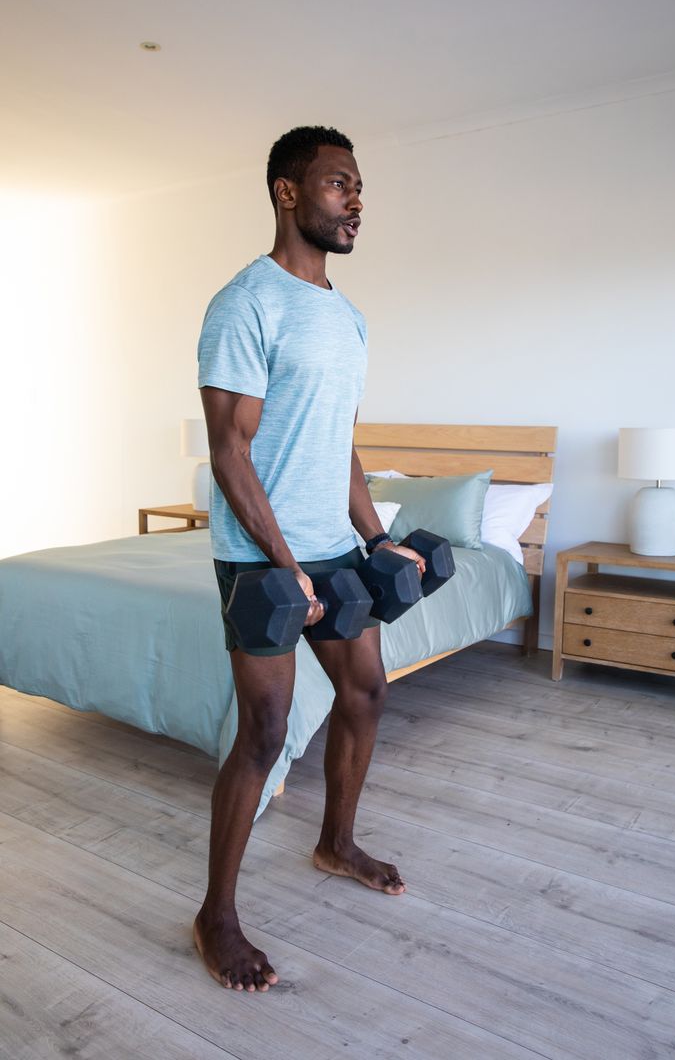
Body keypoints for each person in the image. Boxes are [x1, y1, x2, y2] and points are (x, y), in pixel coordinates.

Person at [194, 126, 425, 993]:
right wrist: (284, 561)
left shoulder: (348, 317)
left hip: (332, 547)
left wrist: (374, 535)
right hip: (261, 558)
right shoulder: (244, 304)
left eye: (358, 185)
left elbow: (338, 444)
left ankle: (336, 842)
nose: (355, 199)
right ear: (287, 193)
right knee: (265, 732)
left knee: (366, 691)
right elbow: (229, 450)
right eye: (337, 183)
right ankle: (216, 916)